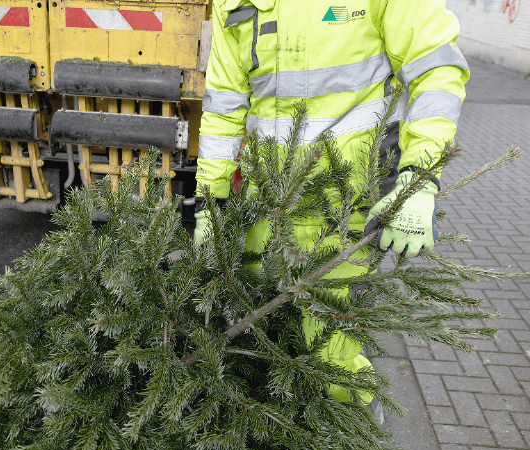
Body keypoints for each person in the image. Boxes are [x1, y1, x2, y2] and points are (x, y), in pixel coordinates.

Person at [194, 1, 469, 403]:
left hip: (344, 210)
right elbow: (224, 105)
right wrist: (210, 202)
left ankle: (344, 439)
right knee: (252, 343)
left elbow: (436, 71)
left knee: (328, 362)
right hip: (264, 203)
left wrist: (417, 179)